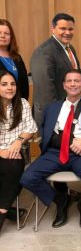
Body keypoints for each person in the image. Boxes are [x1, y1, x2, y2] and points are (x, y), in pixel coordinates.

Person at [21, 70, 81, 230]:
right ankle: (60, 200)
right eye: (69, 81)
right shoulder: (52, 107)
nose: (73, 84)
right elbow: (45, 131)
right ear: (64, 85)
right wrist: (70, 143)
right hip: (55, 153)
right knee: (27, 178)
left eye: (77, 81)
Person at [0, 71, 37, 234]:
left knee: (14, 168)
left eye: (12, 84)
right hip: (1, 152)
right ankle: (9, 210)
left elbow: (31, 129)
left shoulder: (22, 103)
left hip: (14, 153)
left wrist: (18, 141)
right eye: (4, 84)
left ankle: (2, 212)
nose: (10, 88)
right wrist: (1, 151)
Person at [31, 13, 80, 129]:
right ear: (53, 29)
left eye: (70, 29)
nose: (67, 32)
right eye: (63, 28)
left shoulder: (70, 48)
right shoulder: (44, 52)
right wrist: (57, 115)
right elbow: (45, 91)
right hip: (52, 116)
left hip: (68, 112)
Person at [0, 19, 29, 99]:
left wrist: (23, 103)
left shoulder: (17, 57)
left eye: (6, 33)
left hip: (18, 105)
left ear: (11, 37)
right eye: (0, 33)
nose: (2, 36)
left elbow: (24, 84)